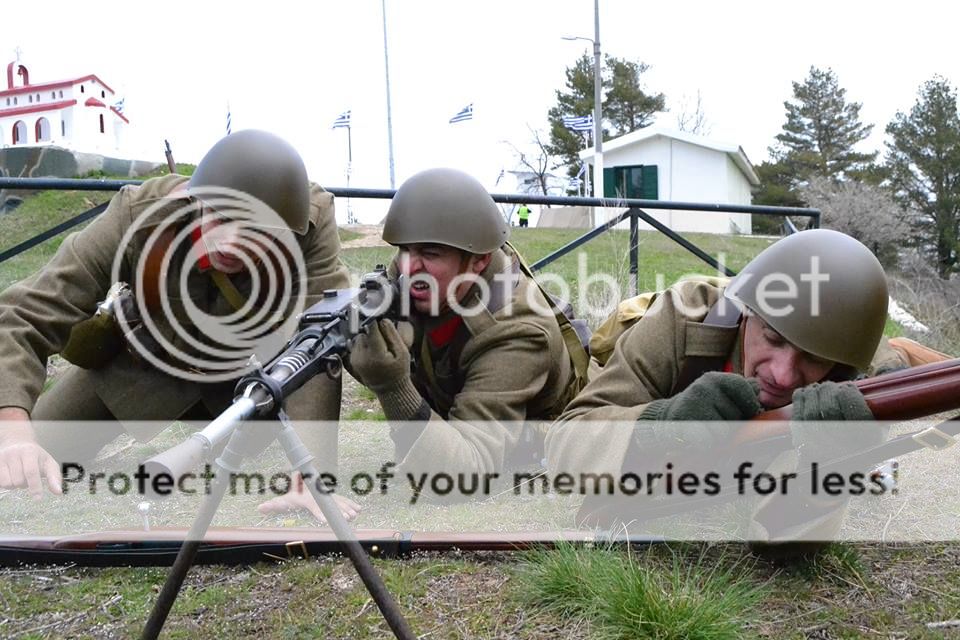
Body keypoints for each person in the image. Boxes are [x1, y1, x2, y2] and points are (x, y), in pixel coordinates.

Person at [0, 130, 358, 520]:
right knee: (31, 457)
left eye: (254, 228)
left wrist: (311, 472)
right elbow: (24, 313)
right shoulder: (138, 215)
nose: (230, 243)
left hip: (244, 387)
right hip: (142, 368)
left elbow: (319, 336)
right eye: (220, 217)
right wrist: (11, 429)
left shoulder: (307, 220)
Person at [546, 228, 903, 552]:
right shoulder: (682, 319)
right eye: (773, 338)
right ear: (747, 312)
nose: (782, 375)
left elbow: (782, 546)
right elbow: (565, 443)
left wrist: (831, 467)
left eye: (812, 358)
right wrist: (658, 426)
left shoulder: (848, 375)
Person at [261, 167, 587, 513]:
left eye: (430, 254)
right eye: (404, 250)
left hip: (527, 431)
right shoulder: (416, 272)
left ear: (478, 261)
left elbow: (460, 481)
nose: (409, 267)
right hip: (451, 397)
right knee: (324, 333)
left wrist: (392, 386)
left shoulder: (518, 329)